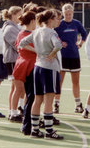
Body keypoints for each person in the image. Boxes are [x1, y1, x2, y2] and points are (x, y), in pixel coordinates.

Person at [19, 9, 64, 139]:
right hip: (49, 68)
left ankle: (35, 130)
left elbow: (22, 43)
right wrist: (51, 55)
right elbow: (58, 45)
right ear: (50, 20)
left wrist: (38, 52)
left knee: (37, 99)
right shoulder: (52, 32)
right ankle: (49, 131)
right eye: (56, 18)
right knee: (49, 99)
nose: (57, 20)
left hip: (37, 67)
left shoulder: (36, 31)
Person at [54, 3, 87, 113]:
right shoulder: (59, 24)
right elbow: (53, 36)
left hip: (74, 56)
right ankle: (56, 104)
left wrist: (80, 43)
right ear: (63, 13)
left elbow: (84, 34)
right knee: (59, 81)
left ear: (73, 13)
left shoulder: (76, 23)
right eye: (66, 14)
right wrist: (60, 42)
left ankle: (78, 104)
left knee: (76, 82)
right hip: (62, 57)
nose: (68, 15)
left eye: (70, 13)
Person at [11, 11, 37, 123]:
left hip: (24, 63)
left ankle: (20, 112)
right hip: (27, 63)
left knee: (24, 91)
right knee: (24, 91)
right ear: (32, 21)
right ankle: (18, 113)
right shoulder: (27, 34)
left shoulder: (24, 33)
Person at [2, 6, 23, 119]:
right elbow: (17, 44)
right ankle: (12, 112)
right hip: (12, 60)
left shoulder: (15, 27)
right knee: (16, 87)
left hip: (16, 60)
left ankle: (14, 110)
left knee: (17, 87)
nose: (21, 17)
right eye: (20, 14)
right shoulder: (10, 28)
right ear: (13, 15)